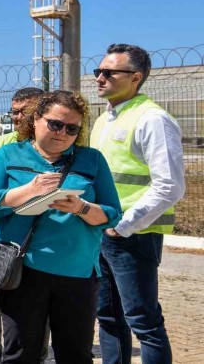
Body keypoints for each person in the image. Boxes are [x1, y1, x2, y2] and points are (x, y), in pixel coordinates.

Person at [0, 90, 122, 363]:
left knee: (75, 354)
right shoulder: (9, 154)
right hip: (23, 271)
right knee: (21, 353)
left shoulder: (91, 160)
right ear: (35, 119)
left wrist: (81, 208)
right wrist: (30, 190)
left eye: (72, 128)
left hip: (77, 273)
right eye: (55, 124)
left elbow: (113, 214)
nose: (62, 133)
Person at [91, 44, 185, 364]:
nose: (100, 78)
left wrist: (124, 226)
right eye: (98, 72)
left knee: (143, 321)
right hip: (101, 230)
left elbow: (169, 185)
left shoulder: (153, 119)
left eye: (109, 72)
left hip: (134, 236)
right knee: (107, 317)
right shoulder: (104, 119)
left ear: (136, 77)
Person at [0, 86, 44, 364]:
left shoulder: (53, 143)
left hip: (37, 235)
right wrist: (23, 183)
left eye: (22, 112)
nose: (16, 117)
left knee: (35, 303)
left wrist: (8, 181)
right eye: (13, 111)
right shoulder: (3, 142)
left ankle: (35, 354)